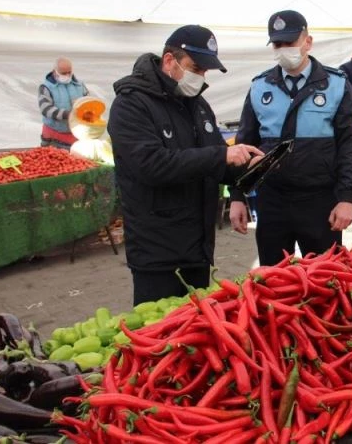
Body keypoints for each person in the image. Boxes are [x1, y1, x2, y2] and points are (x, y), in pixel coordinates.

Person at [108, 25, 263, 305]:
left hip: (198, 247)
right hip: (157, 250)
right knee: (159, 331)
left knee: (198, 327)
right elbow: (150, 164)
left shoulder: (198, 105)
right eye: (196, 68)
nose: (200, 77)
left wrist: (249, 166)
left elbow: (215, 161)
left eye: (205, 72)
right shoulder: (131, 104)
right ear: (170, 60)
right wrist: (220, 156)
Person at [229, 10, 352, 267]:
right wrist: (237, 196)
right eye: (277, 44)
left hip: (320, 201)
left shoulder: (334, 84)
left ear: (307, 42)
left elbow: (351, 143)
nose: (283, 49)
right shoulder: (260, 87)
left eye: (289, 43)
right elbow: (244, 145)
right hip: (272, 201)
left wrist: (347, 198)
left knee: (326, 279)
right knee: (272, 280)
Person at [38, 57, 89, 149]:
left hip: (74, 134)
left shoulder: (79, 85)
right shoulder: (46, 87)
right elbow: (45, 109)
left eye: (69, 72)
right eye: (63, 73)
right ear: (55, 72)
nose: (67, 75)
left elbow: (88, 101)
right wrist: (68, 114)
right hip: (53, 136)